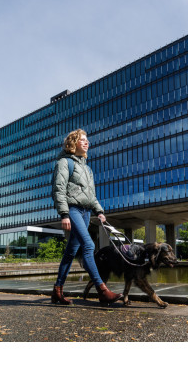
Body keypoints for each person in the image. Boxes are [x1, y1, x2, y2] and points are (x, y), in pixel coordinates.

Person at [50, 129, 123, 305]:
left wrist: (99, 211)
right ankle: (102, 290)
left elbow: (91, 196)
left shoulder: (88, 169)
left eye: (87, 140)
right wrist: (64, 213)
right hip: (73, 209)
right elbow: (58, 189)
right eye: (82, 139)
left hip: (85, 212)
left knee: (71, 252)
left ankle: (57, 290)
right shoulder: (64, 163)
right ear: (73, 143)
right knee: (89, 244)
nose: (86, 142)